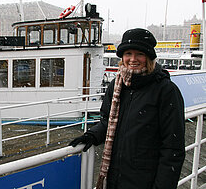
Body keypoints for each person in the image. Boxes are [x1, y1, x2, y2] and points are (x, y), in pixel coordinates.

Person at [69, 28, 185, 189]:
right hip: (115, 177)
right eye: (128, 53)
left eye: (140, 54)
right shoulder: (116, 86)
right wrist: (91, 136)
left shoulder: (166, 91)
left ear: (149, 57)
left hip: (145, 180)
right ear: (122, 57)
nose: (133, 59)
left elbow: (172, 147)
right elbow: (107, 121)